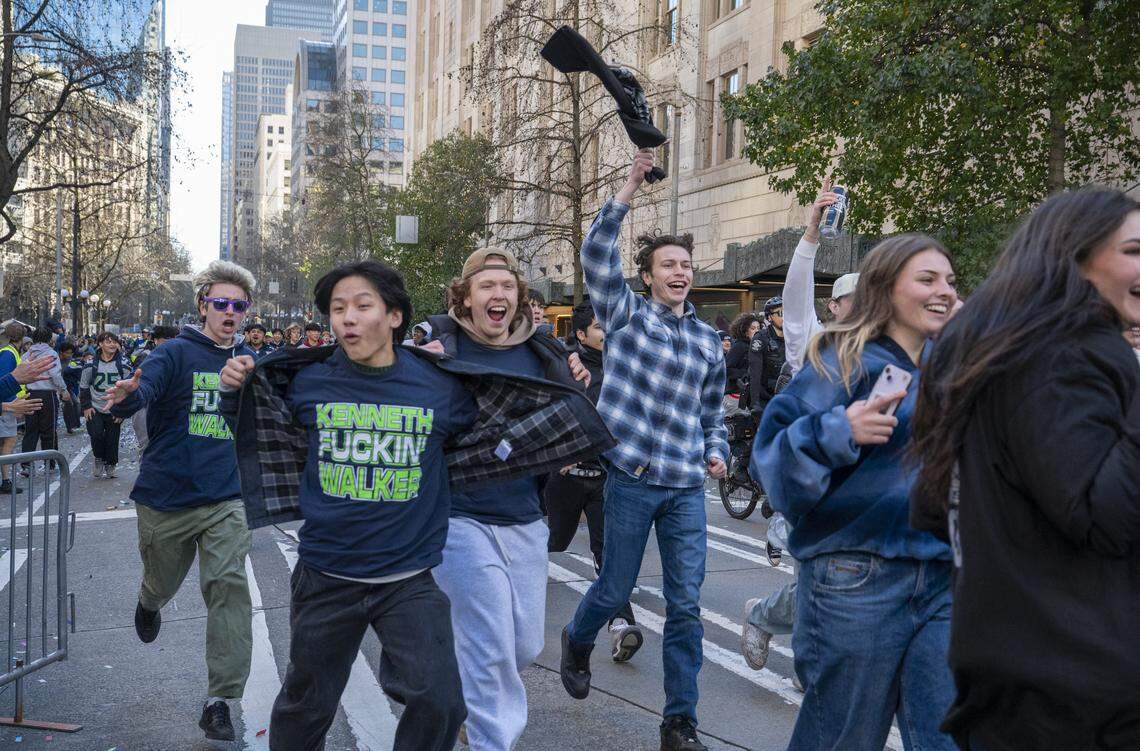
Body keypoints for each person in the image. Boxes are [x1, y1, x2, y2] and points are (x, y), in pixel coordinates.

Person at [910, 189, 1140, 751]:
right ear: (1076, 257)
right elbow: (1105, 516)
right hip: (1080, 688)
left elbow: (932, 506)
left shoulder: (991, 347)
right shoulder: (1063, 352)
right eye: (1134, 250)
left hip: (1013, 672)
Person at [219, 261, 475, 751]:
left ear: (395, 316)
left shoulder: (439, 386)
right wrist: (233, 391)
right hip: (327, 576)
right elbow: (258, 421)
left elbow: (494, 412)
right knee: (306, 706)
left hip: (408, 580)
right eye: (338, 310)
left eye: (362, 306)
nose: (347, 319)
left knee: (441, 700)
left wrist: (560, 365)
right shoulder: (308, 381)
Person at [752, 233, 958, 751]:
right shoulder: (839, 361)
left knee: (949, 736)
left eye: (951, 281)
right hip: (856, 577)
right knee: (841, 739)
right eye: (928, 279)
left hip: (943, 576)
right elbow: (772, 462)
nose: (945, 291)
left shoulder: (954, 367)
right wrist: (838, 430)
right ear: (887, 289)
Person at [560, 149, 727, 751]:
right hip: (630, 477)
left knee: (686, 607)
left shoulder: (710, 341)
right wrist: (630, 183)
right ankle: (578, 639)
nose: (680, 272)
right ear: (650, 275)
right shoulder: (625, 315)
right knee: (613, 589)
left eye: (686, 264)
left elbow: (713, 412)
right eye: (668, 265)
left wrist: (718, 451)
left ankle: (679, 722)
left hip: (685, 485)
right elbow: (595, 255)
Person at [423, 246, 591, 751]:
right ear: (466, 296)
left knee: (523, 645)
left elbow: (572, 414)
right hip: (460, 516)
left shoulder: (546, 353)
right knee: (492, 644)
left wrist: (578, 381)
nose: (498, 295)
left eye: (507, 287)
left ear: (518, 298)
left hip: (525, 515)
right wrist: (418, 365)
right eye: (486, 287)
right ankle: (491, 740)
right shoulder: (437, 347)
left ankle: (459, 696)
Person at [104, 260, 257, 742]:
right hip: (167, 496)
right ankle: (149, 601)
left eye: (239, 305)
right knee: (163, 581)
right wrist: (128, 395)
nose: (230, 312)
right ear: (203, 305)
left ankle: (220, 701)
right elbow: (142, 388)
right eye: (221, 303)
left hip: (226, 496)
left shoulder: (250, 361)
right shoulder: (174, 353)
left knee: (229, 587)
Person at [741, 181, 852, 671]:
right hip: (812, 483)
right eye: (853, 299)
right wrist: (811, 231)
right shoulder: (814, 340)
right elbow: (795, 292)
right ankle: (772, 623)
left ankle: (788, 632)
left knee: (839, 577)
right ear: (835, 306)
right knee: (820, 575)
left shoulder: (893, 353)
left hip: (860, 489)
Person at [545, 300, 643, 663]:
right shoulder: (564, 365)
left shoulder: (629, 365)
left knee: (608, 555)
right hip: (565, 475)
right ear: (582, 333)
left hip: (607, 477)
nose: (609, 332)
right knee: (552, 541)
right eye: (600, 327)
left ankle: (620, 625)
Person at [79, 332, 133, 479]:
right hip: (95, 406)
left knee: (112, 438)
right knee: (95, 434)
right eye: (108, 342)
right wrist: (86, 406)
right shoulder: (90, 364)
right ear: (100, 344)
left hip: (114, 408)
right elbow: (83, 386)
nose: (112, 345)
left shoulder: (124, 365)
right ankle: (98, 458)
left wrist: (123, 411)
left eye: (114, 342)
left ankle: (111, 464)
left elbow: (129, 390)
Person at [20, 327, 70, 463]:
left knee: (31, 431)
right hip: (47, 395)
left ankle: (26, 464)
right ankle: (50, 461)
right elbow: (55, 375)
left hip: (30, 394)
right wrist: (63, 390)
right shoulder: (51, 354)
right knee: (48, 430)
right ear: (49, 339)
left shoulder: (26, 355)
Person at [129, 325, 177, 455]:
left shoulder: (180, 356)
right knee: (147, 448)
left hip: (169, 409)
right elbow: (135, 379)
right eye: (165, 339)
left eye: (173, 339)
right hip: (144, 407)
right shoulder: (146, 355)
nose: (169, 342)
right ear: (155, 340)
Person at [58, 342, 83, 434]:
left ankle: (76, 425)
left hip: (68, 387)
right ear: (61, 352)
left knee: (76, 403)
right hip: (59, 388)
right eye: (67, 352)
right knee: (68, 405)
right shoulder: (56, 361)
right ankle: (70, 428)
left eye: (71, 353)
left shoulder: (70, 361)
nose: (69, 355)